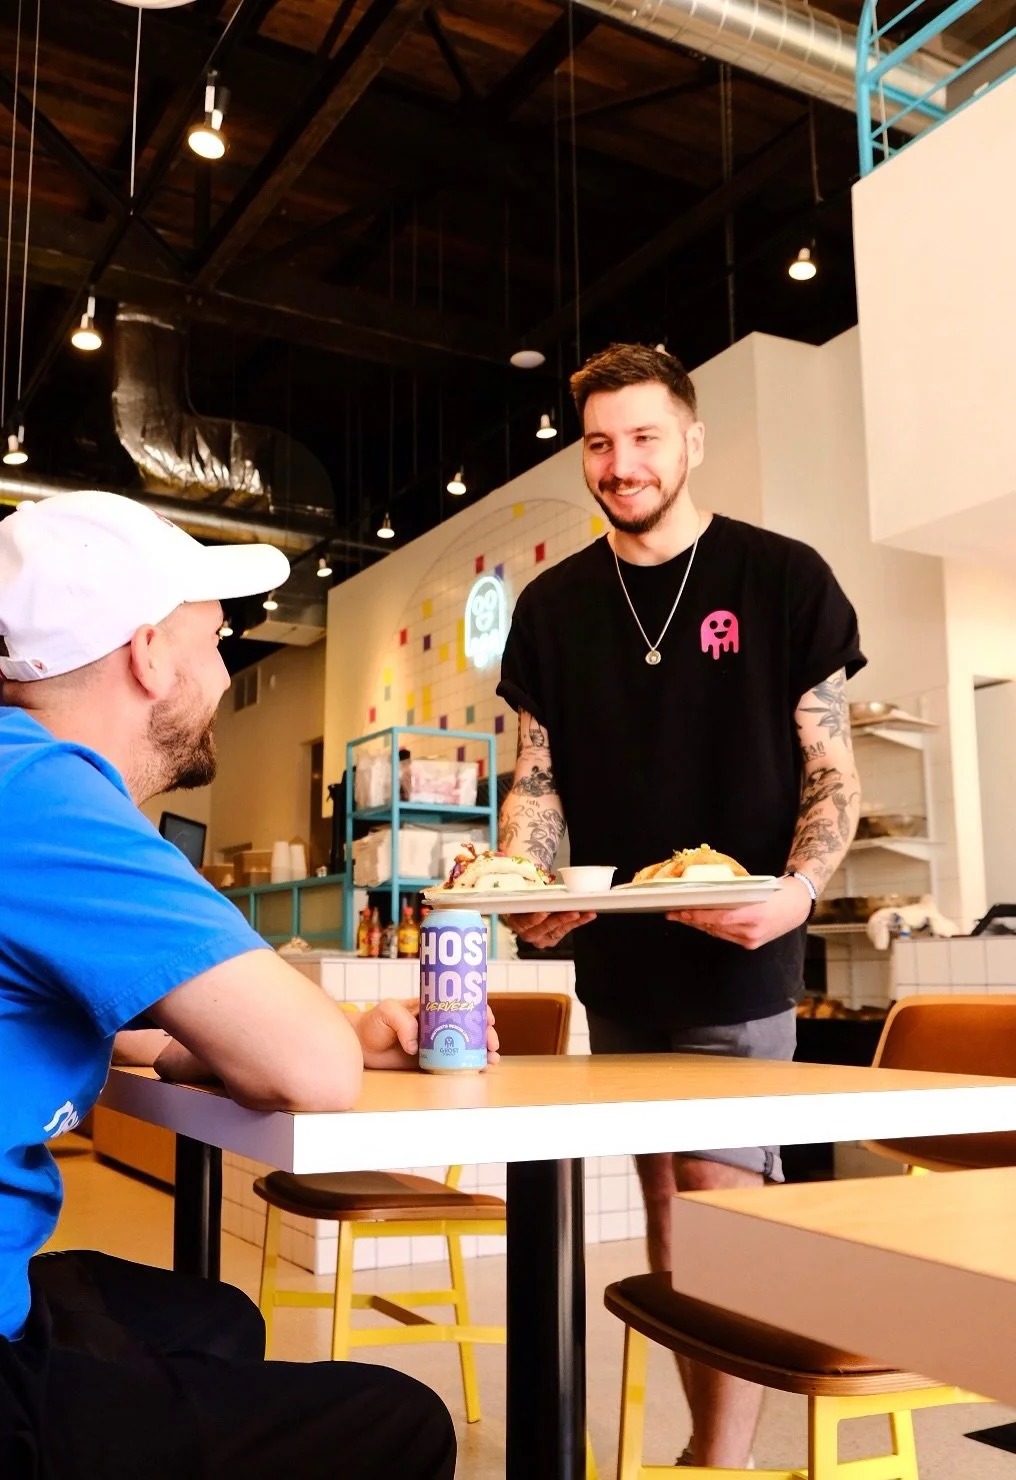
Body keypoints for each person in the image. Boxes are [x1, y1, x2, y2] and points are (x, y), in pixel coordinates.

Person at [0, 492, 462, 1480]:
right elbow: (315, 1072)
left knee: (209, 1319)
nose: (222, 672)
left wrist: (332, 1030)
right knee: (401, 1418)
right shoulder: (45, 799)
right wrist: (330, 1038)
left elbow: (132, 1030)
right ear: (148, 655)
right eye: (214, 641)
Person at [496, 344, 864, 1469]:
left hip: (742, 950)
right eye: (600, 442)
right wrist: (527, 886)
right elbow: (534, 779)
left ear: (691, 440)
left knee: (720, 1200)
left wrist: (797, 893)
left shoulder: (780, 577)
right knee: (668, 1210)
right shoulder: (553, 606)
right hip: (617, 961)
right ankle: (713, 1443)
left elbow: (832, 771)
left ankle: (720, 1460)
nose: (621, 462)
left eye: (645, 436)